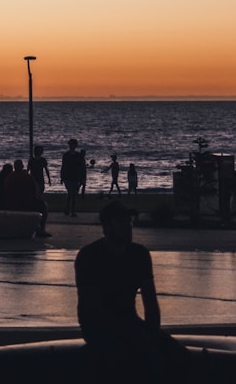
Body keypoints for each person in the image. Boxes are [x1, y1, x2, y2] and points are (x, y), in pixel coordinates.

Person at [74, 199, 164, 367]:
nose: (129, 226)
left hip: (131, 322)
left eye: (129, 221)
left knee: (174, 355)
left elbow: (150, 302)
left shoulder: (139, 255)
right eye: (122, 222)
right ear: (106, 227)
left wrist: (152, 334)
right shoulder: (90, 257)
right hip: (96, 327)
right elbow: (92, 307)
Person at [60, 139, 86, 217]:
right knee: (71, 193)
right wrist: (62, 177)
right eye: (70, 144)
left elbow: (82, 167)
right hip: (68, 177)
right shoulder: (66, 155)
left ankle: (71, 210)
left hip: (76, 177)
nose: (71, 146)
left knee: (74, 194)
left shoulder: (79, 156)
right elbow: (63, 166)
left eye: (73, 144)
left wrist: (83, 178)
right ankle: (69, 209)